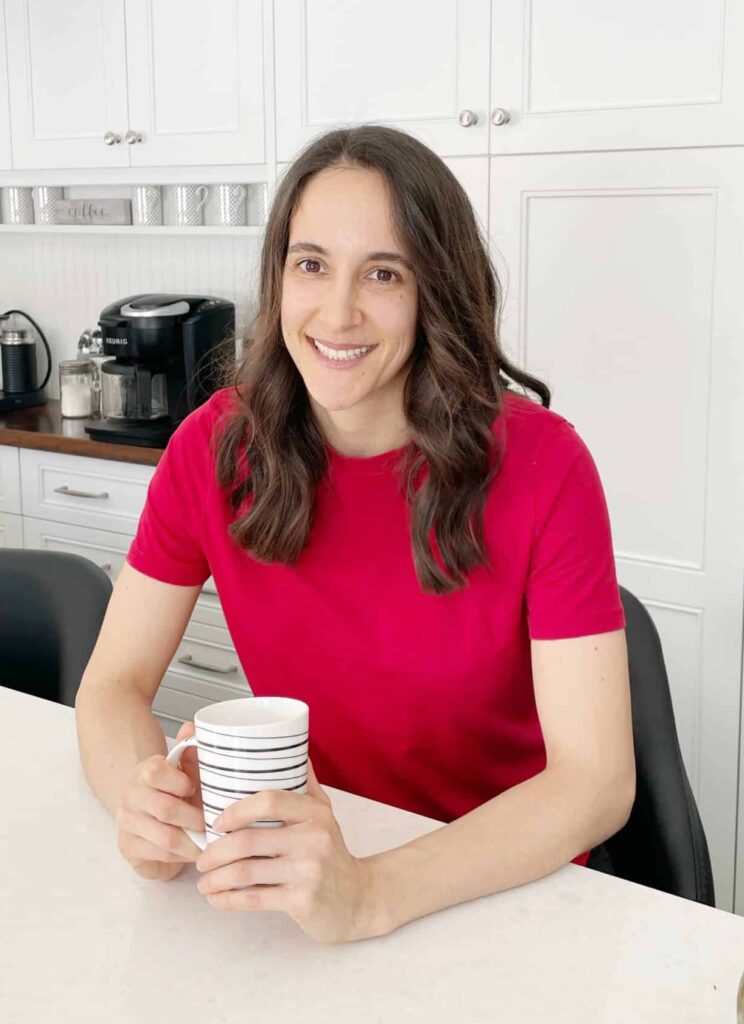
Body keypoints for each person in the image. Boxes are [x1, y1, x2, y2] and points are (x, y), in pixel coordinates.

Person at [75, 124, 635, 945]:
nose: (337, 311)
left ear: (435, 291)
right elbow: (112, 684)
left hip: (497, 886)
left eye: (383, 273)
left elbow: (595, 782)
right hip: (312, 869)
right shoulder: (214, 447)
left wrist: (373, 894)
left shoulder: (546, 465)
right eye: (311, 265)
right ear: (278, 278)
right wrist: (145, 804)